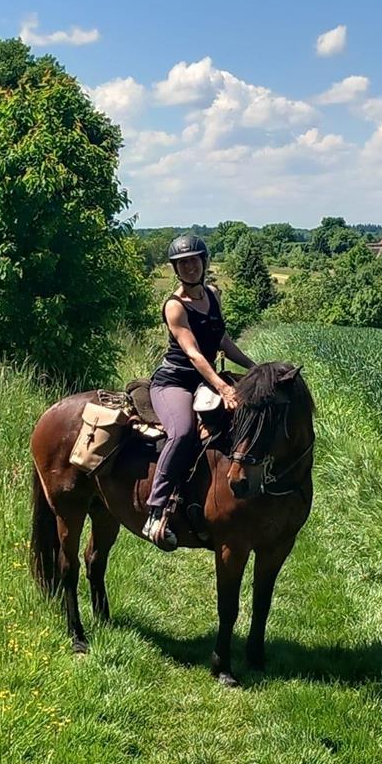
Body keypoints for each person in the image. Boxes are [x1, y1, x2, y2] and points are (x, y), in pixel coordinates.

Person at [142, 233, 257, 549]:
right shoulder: (174, 307)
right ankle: (157, 508)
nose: (190, 267)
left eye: (194, 260)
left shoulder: (213, 295)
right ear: (176, 269)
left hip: (205, 380)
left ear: (204, 262)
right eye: (183, 263)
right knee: (182, 433)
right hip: (176, 381)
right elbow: (193, 353)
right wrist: (222, 386)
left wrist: (254, 368)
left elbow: (221, 340)